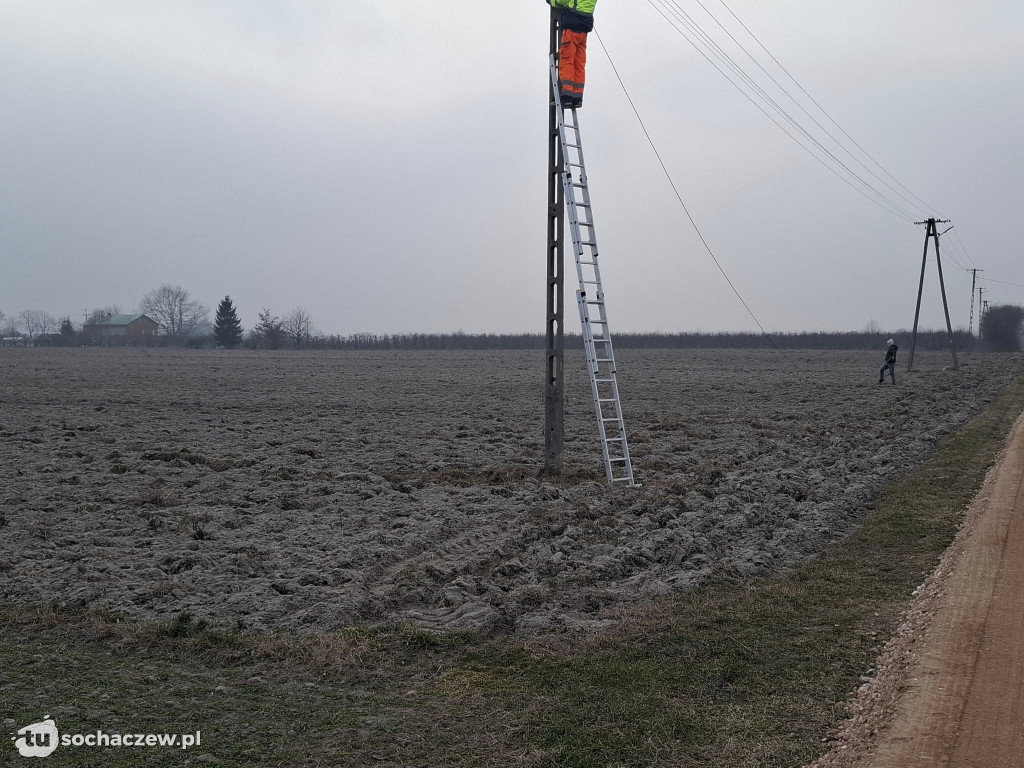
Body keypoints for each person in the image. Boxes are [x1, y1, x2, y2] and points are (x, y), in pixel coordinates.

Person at [547, 0, 597, 109]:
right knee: (579, 63)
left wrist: (552, 1)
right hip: (583, 29)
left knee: (567, 60)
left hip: (572, 26)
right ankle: (577, 97)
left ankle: (567, 96)